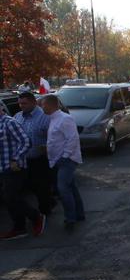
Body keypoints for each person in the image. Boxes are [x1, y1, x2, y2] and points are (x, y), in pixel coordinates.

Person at [0, 106, 46, 240]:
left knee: (10, 196)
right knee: (8, 198)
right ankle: (19, 228)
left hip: (15, 167)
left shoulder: (10, 122)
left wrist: (16, 158)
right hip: (2, 167)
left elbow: (26, 141)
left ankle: (36, 216)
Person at [42, 94, 84, 230]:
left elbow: (72, 139)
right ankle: (79, 214)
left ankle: (70, 218)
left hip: (67, 160)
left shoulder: (65, 119)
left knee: (63, 188)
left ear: (51, 105)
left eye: (43, 105)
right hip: (58, 160)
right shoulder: (53, 119)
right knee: (70, 186)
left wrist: (65, 156)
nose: (42, 107)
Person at [15, 92, 55, 215]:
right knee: (29, 185)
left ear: (33, 102)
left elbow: (55, 137)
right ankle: (50, 200)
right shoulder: (17, 117)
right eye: (20, 103)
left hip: (41, 159)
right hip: (23, 159)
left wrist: (49, 148)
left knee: (41, 186)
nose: (21, 106)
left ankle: (45, 212)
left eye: (24, 103)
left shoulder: (46, 116)